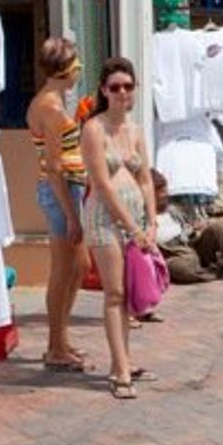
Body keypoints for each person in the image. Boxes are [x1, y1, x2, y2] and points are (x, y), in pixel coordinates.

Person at [80, 57, 157, 398]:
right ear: (103, 91)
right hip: (105, 219)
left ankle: (120, 360)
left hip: (136, 222)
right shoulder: (93, 129)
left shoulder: (136, 130)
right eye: (115, 87)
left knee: (129, 296)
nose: (122, 92)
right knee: (115, 294)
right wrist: (133, 227)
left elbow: (146, 179)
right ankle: (121, 369)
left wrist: (152, 222)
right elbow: (103, 184)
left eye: (128, 86)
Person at [27, 38, 91, 371]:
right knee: (63, 270)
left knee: (78, 267)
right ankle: (55, 346)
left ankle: (60, 340)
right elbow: (53, 167)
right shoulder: (50, 108)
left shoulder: (54, 103)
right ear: (66, 70)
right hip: (61, 191)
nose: (79, 72)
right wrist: (71, 216)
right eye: (77, 66)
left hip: (69, 187)